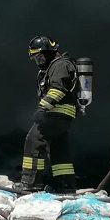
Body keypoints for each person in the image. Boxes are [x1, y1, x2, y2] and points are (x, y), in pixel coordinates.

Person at [17, 35, 78, 193]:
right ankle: (65, 185)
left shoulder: (60, 65)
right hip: (62, 116)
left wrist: (42, 109)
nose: (39, 61)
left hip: (55, 114)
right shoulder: (53, 67)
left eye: (40, 57)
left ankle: (30, 183)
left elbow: (58, 89)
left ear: (48, 52)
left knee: (34, 141)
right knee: (59, 148)